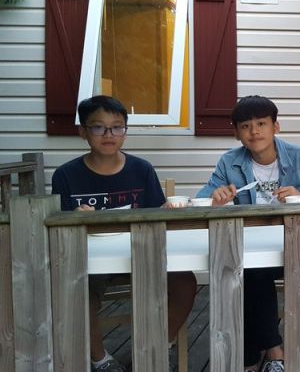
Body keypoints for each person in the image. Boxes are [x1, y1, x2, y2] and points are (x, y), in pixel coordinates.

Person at [51, 95, 197, 372]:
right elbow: (60, 228)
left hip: (141, 254)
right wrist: (74, 217)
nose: (109, 134)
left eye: (117, 127)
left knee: (185, 282)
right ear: (83, 132)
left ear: (125, 132)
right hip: (90, 261)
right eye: (98, 127)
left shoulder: (141, 169)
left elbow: (156, 215)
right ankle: (101, 359)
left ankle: (158, 347)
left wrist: (167, 210)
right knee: (76, 289)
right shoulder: (66, 175)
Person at [196, 95, 300, 372]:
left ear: (275, 127)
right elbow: (200, 201)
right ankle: (273, 352)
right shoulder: (229, 162)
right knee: (248, 267)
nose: (254, 131)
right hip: (250, 250)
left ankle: (250, 359)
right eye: (245, 126)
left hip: (298, 248)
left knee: (248, 271)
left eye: (261, 124)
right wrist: (216, 198)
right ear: (236, 133)